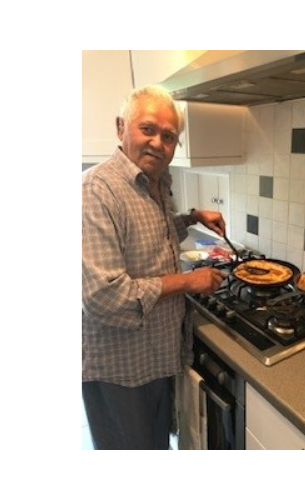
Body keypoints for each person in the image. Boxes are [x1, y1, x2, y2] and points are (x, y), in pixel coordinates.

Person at [82, 84, 227, 449]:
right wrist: (188, 282)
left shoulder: (157, 182)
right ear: (121, 127)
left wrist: (191, 218)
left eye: (168, 136)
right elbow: (103, 296)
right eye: (147, 129)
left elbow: (148, 241)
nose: (158, 143)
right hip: (121, 368)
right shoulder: (95, 191)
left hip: (158, 357)